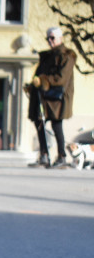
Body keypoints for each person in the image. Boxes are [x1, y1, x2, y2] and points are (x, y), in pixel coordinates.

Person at [28, 26, 77, 168]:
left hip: (57, 98)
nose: (50, 41)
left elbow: (61, 78)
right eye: (48, 38)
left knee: (56, 125)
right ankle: (44, 155)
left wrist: (43, 80)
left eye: (52, 38)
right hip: (43, 96)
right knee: (39, 123)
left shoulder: (66, 56)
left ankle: (61, 156)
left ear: (60, 38)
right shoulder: (47, 56)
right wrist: (33, 84)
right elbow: (38, 75)